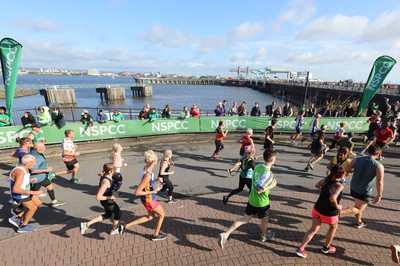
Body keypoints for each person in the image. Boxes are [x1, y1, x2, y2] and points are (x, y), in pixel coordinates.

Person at [218, 149, 278, 249]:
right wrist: (272, 185)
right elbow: (259, 190)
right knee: (265, 220)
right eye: (275, 158)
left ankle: (225, 234)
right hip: (261, 202)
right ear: (272, 159)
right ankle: (263, 236)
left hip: (252, 199)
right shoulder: (268, 174)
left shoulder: (258, 166)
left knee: (245, 218)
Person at [295, 165, 346, 258]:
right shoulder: (339, 185)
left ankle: (301, 249)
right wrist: (338, 207)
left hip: (317, 209)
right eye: (344, 174)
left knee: (313, 229)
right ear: (340, 175)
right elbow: (333, 198)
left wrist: (325, 190)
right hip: (330, 213)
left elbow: (317, 185)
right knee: (333, 228)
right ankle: (326, 247)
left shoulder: (326, 179)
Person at [120, 150, 167, 241]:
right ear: (153, 161)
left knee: (150, 216)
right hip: (149, 199)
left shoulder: (146, 168)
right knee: (162, 215)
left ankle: (125, 226)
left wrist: (157, 179)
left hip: (147, 199)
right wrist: (153, 192)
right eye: (157, 158)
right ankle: (155, 235)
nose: (158, 160)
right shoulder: (147, 175)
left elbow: (147, 184)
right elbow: (137, 192)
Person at [340, 144, 384, 229]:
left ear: (368, 151)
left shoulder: (357, 159)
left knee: (358, 205)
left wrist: (355, 170)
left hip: (353, 187)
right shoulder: (378, 165)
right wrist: (379, 195)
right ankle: (339, 212)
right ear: (378, 154)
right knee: (358, 208)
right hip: (364, 190)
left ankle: (358, 222)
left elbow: (346, 169)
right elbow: (380, 182)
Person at [80, 163, 122, 236]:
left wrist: (114, 192)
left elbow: (108, 190)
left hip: (106, 201)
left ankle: (86, 224)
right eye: (114, 170)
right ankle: (114, 230)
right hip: (107, 202)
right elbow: (98, 197)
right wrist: (111, 197)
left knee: (108, 215)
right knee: (118, 213)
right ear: (110, 171)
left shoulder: (104, 176)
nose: (115, 172)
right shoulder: (106, 182)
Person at [8, 154, 42, 233]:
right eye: (34, 162)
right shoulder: (20, 172)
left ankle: (17, 217)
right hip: (20, 195)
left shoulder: (24, 169)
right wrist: (34, 192)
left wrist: (30, 180)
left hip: (25, 193)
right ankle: (23, 227)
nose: (35, 164)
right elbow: (16, 189)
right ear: (27, 163)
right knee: (33, 208)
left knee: (38, 203)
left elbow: (19, 180)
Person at [30, 142, 66, 207]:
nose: (45, 148)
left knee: (50, 186)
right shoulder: (37, 157)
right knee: (31, 195)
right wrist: (46, 170)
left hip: (42, 176)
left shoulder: (32, 152)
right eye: (43, 147)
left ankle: (54, 201)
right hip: (36, 179)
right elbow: (33, 170)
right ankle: (19, 210)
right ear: (38, 148)